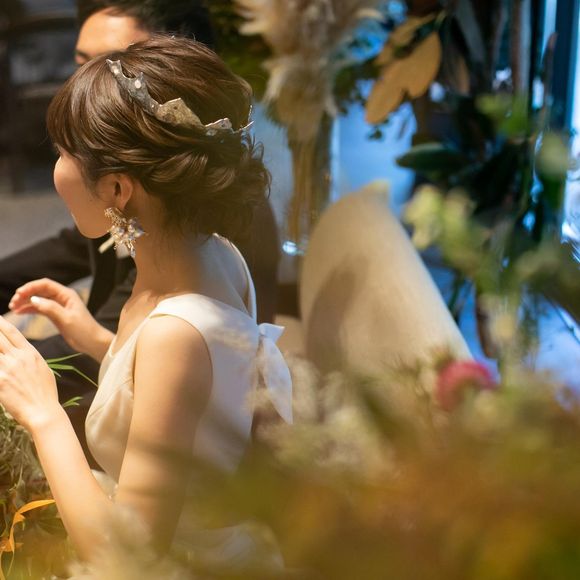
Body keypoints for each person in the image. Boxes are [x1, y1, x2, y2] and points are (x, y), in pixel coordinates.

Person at [0, 34, 292, 563]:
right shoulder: (214, 254)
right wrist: (94, 338)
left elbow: (129, 558)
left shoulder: (174, 335)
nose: (57, 168)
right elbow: (199, 389)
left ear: (117, 190)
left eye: (64, 153)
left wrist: (43, 411)